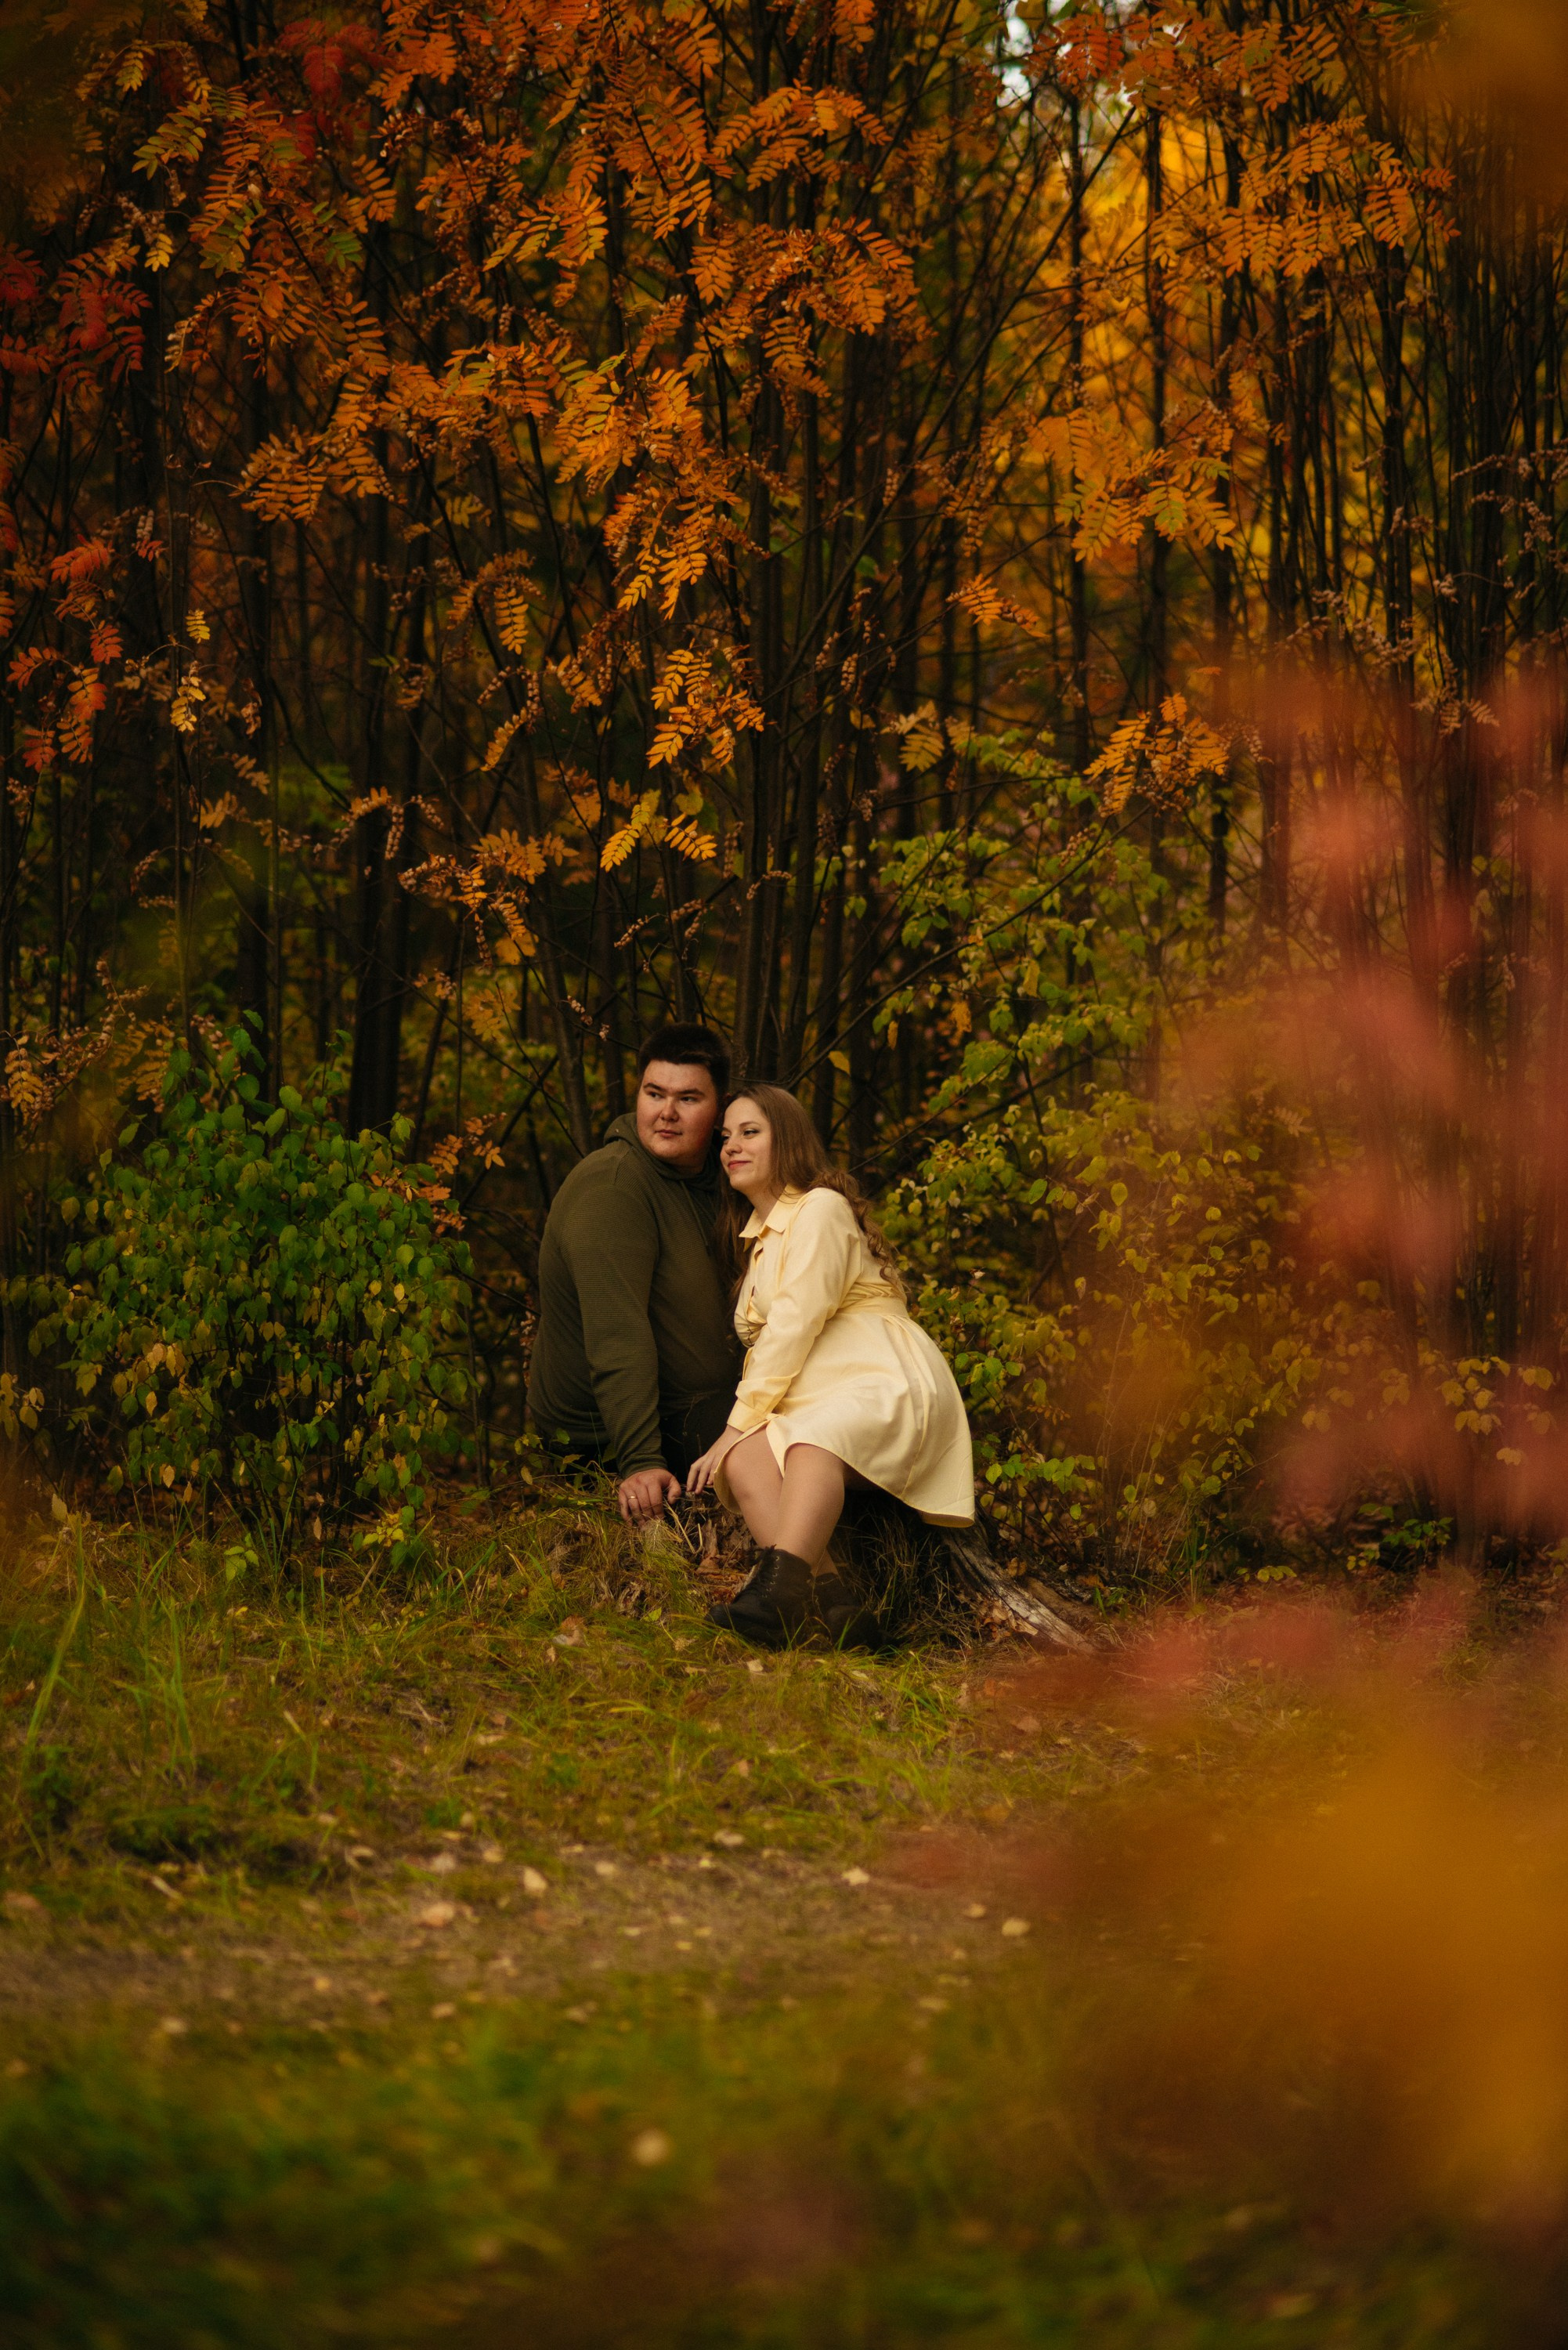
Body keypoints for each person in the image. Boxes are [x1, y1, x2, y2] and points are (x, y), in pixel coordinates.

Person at [687, 1083, 974, 1647]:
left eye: (750, 1132)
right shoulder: (761, 1243)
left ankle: (773, 1599)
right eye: (726, 1137)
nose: (731, 1147)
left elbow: (794, 1324)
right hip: (820, 1393)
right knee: (744, 1460)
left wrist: (735, 1420)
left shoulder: (820, 1208)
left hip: (880, 1377)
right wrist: (738, 1437)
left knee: (810, 1442)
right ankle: (834, 1605)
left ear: (787, 1139)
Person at [528, 1025, 741, 1527]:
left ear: (722, 1109)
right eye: (654, 1094)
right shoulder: (615, 1185)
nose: (666, 1113)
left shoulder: (726, 1174)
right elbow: (615, 1339)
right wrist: (642, 1462)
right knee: (791, 1443)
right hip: (607, 1435)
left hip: (701, 1404)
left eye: (688, 1097)